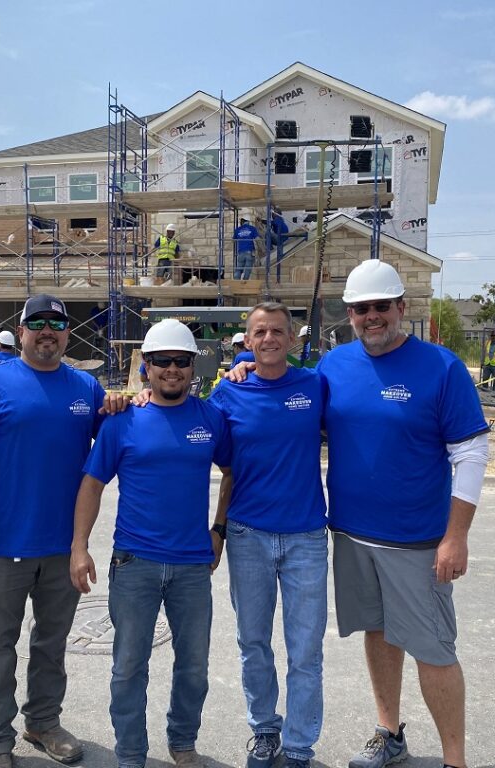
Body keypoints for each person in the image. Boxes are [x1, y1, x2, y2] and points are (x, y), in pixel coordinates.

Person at [317, 260, 489, 768]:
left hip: (417, 541)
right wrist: (242, 368)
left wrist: (456, 535)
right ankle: (389, 734)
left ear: (401, 308)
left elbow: (471, 453)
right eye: (361, 308)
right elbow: (291, 404)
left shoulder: (441, 367)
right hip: (351, 535)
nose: (372, 316)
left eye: (380, 307)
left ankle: (454, 759)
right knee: (378, 633)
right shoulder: (333, 366)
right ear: (349, 313)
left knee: (433, 649)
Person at [0, 294, 105, 768]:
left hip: (62, 546)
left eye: (57, 323)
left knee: (52, 645)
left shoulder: (86, 388)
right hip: (0, 545)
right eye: (38, 323)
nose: (47, 331)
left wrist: (125, 399)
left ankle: (43, 722)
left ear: (67, 332)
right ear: (22, 329)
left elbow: (120, 432)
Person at [70, 319, 231, 768]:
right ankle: (131, 755)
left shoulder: (211, 418)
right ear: (147, 367)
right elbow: (91, 484)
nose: (172, 370)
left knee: (194, 667)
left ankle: (182, 742)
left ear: (192, 366)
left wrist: (219, 529)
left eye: (181, 361)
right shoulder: (123, 420)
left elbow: (233, 472)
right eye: (163, 362)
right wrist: (79, 546)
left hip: (193, 566)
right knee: (128, 668)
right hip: (135, 562)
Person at [208, 302, 327, 768]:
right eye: (260, 332)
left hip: (305, 538)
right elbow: (202, 442)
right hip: (247, 534)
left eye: (278, 331)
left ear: (292, 339)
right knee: (252, 641)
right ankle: (264, 729)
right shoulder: (227, 392)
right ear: (248, 340)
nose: (270, 339)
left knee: (304, 649)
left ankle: (298, 745)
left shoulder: (315, 385)